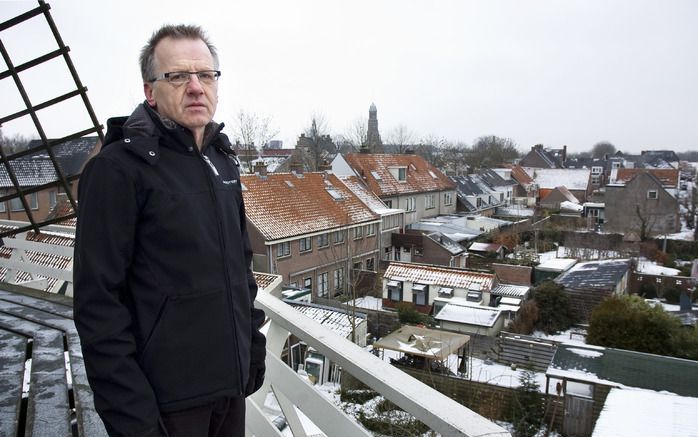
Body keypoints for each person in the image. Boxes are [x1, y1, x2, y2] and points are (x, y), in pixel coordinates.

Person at [74, 24, 266, 437]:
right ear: (150, 91)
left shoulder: (222, 160)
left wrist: (252, 351)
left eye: (206, 75)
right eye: (178, 76)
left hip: (228, 393)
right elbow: (97, 305)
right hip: (164, 406)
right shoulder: (116, 171)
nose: (196, 87)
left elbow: (241, 266)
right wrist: (132, 416)